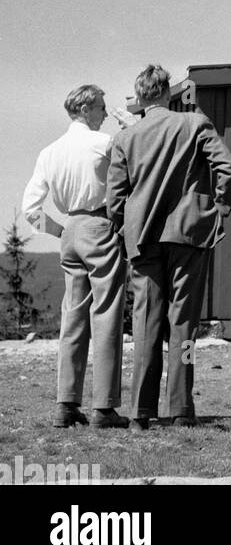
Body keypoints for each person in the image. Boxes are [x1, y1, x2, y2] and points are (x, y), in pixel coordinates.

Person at [106, 63, 231, 428]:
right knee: (184, 327)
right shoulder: (194, 123)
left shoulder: (125, 138)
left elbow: (115, 197)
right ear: (167, 92)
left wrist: (122, 226)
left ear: (140, 98)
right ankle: (181, 409)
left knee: (146, 324)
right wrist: (220, 206)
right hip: (188, 236)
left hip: (143, 238)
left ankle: (139, 414)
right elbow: (226, 164)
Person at [22, 84, 129, 428]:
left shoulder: (49, 151)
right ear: (86, 108)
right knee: (107, 315)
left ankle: (66, 403)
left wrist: (60, 231)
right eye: (100, 106)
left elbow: (30, 209)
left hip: (69, 230)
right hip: (100, 226)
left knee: (74, 318)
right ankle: (104, 407)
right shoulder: (104, 143)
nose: (103, 113)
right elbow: (133, 168)